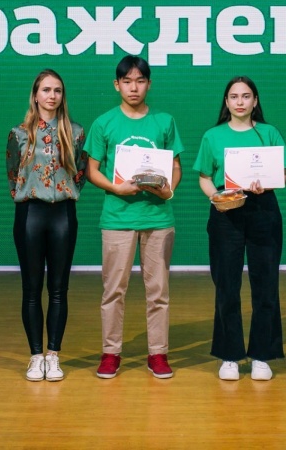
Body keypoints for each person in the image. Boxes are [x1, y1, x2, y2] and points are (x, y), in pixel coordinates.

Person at [84, 56, 184, 379]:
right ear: (117, 85)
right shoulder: (104, 123)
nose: (134, 87)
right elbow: (91, 170)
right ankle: (110, 353)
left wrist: (168, 189)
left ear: (149, 84)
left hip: (158, 218)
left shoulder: (164, 121)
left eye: (140, 81)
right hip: (117, 218)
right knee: (113, 290)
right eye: (127, 81)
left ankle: (158, 353)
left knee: (158, 292)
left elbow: (176, 167)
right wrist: (117, 188)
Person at [193, 76, 286, 381]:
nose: (240, 102)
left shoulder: (269, 132)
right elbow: (204, 177)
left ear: (255, 101)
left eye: (246, 96)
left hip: (264, 210)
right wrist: (217, 197)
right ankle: (230, 355)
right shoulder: (212, 136)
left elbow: (284, 175)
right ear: (226, 102)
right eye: (234, 96)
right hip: (226, 212)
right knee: (226, 285)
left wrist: (268, 183)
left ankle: (262, 355)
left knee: (266, 285)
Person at [6, 69, 87, 382]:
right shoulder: (19, 134)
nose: (52, 96)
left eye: (57, 90)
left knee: (58, 289)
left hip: (63, 215)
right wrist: (31, 192)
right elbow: (13, 175)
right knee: (31, 289)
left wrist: (63, 191)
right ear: (36, 95)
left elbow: (81, 173)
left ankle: (53, 356)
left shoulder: (76, 132)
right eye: (46, 90)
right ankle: (35, 356)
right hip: (30, 215)